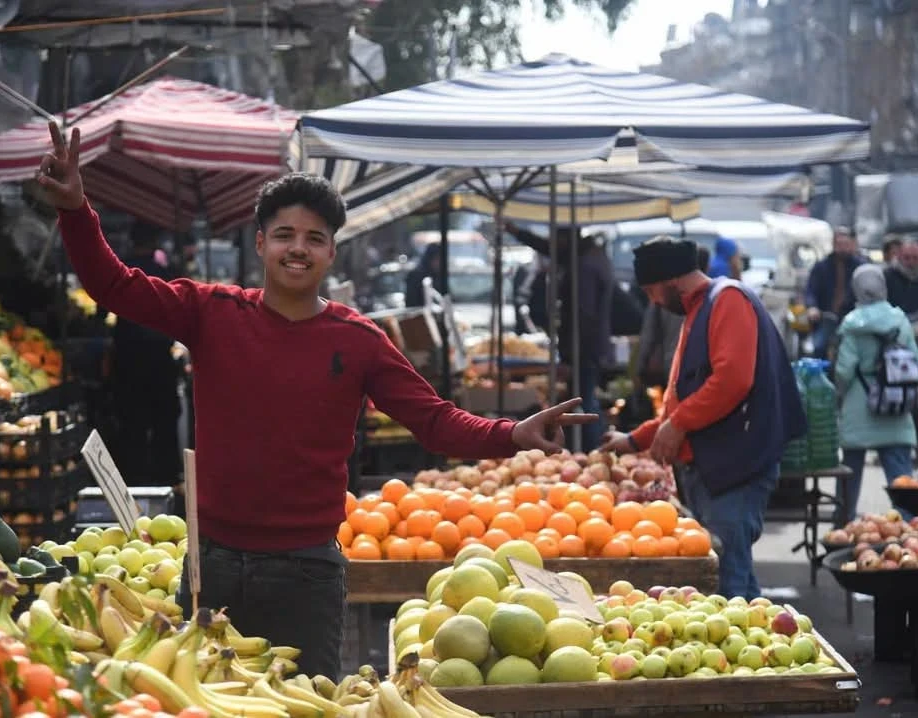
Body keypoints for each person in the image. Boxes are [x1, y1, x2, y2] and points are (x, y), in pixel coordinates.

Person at [35, 122, 598, 679]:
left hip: (307, 570)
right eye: (284, 235)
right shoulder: (211, 312)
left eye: (314, 238)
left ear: (332, 252)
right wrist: (76, 211)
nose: (297, 249)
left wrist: (512, 433)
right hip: (215, 564)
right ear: (261, 243)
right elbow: (114, 286)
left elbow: (434, 423)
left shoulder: (359, 341)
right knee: (206, 700)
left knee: (310, 699)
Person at [601, 236, 806, 598]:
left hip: (735, 470)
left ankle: (739, 653)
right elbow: (682, 401)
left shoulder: (728, 300)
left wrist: (677, 424)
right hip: (713, 470)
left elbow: (733, 379)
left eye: (652, 293)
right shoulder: (699, 311)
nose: (654, 303)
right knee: (731, 570)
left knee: (726, 575)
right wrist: (635, 439)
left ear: (672, 282)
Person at [505, 222, 615, 451]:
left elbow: (583, 315)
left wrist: (570, 357)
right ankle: (592, 448)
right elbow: (547, 248)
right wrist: (517, 232)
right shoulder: (583, 255)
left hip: (584, 347)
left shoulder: (584, 266)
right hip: (587, 345)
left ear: (566, 240)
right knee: (583, 397)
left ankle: (595, 450)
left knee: (584, 400)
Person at [833, 264, 917, 524]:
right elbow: (916, 362)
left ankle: (844, 524)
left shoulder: (851, 324)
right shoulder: (900, 320)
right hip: (896, 406)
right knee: (901, 476)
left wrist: (838, 397)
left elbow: (845, 371)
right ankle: (909, 524)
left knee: (850, 472)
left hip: (860, 405)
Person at [109, 220, 182, 486]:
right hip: (159, 354)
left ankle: (133, 474)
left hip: (128, 356)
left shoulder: (122, 271)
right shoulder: (166, 271)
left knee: (132, 418)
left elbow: (102, 311)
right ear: (154, 244)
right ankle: (168, 474)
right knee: (165, 417)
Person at [637, 246, 711, 388]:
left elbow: (648, 334)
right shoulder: (711, 300)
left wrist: (641, 367)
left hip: (669, 367)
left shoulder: (665, 295)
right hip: (696, 371)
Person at [805, 226, 866, 359]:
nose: (842, 247)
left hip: (854, 319)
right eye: (839, 244)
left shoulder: (861, 267)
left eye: (845, 244)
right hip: (827, 317)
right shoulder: (821, 267)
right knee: (819, 347)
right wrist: (812, 307)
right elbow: (811, 291)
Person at [884, 239, 918, 319]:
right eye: (907, 258)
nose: (911, 262)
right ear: (899, 256)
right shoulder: (886, 277)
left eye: (915, 258)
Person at [512, 254, 549, 334]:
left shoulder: (549, 274)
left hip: (545, 323)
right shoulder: (528, 271)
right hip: (530, 325)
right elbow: (521, 298)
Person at [404, 243, 444, 307]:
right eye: (437, 259)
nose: (439, 263)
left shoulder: (440, 276)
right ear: (430, 259)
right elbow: (411, 301)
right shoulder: (416, 276)